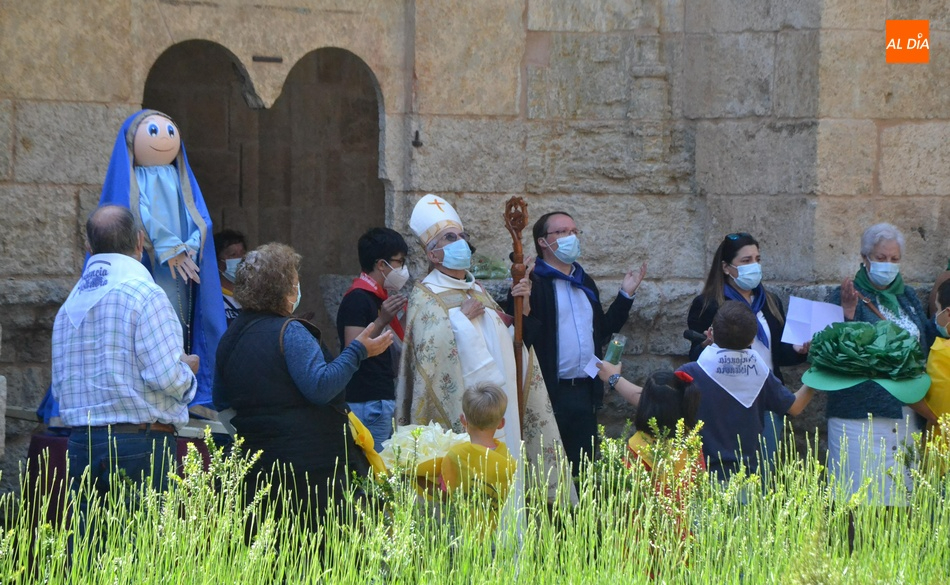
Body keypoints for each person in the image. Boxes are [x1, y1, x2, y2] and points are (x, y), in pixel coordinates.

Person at [396, 194, 568, 501]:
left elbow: (505, 338)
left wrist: (521, 307)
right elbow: (430, 351)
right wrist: (460, 320)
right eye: (450, 238)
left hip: (501, 405)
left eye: (461, 236)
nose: (460, 242)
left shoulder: (476, 289)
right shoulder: (425, 296)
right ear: (433, 254)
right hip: (464, 411)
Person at [213, 243, 393, 520]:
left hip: (259, 470)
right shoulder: (290, 331)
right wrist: (359, 351)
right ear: (284, 289)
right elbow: (320, 387)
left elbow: (221, 402)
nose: (298, 287)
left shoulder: (231, 336)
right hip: (314, 473)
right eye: (295, 281)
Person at [53, 205, 199, 498]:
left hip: (82, 442)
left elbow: (60, 387)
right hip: (138, 442)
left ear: (89, 247)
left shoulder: (69, 305)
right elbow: (167, 377)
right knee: (141, 543)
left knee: (90, 542)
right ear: (140, 242)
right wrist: (188, 371)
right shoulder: (145, 294)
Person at [97, 109, 225, 412]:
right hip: (154, 263)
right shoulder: (134, 178)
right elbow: (137, 213)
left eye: (170, 131)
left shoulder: (179, 176)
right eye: (154, 131)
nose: (165, 138)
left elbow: (199, 217)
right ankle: (163, 383)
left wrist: (191, 245)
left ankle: (187, 385)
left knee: (184, 320)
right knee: (157, 322)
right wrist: (170, 246)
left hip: (184, 263)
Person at [515, 210, 646, 472]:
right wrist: (524, 300)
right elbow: (523, 337)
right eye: (562, 232)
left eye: (574, 232)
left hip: (585, 391)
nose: (571, 237)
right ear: (543, 241)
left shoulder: (584, 281)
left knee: (583, 469)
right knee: (547, 468)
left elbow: (601, 331)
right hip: (551, 392)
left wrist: (625, 295)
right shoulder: (535, 281)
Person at [830, 223, 938, 503]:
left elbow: (922, 338)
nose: (888, 265)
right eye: (881, 258)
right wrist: (849, 314)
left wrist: (940, 326)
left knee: (900, 500)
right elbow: (836, 349)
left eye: (894, 259)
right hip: (860, 416)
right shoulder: (845, 295)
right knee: (858, 500)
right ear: (865, 258)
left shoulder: (907, 297)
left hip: (905, 414)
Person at [686, 232, 806, 466]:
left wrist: (799, 350)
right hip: (725, 401)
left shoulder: (770, 302)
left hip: (766, 398)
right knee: (726, 466)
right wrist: (707, 345)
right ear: (726, 267)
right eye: (746, 261)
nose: (754, 266)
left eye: (757, 259)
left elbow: (778, 355)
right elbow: (695, 357)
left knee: (765, 468)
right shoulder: (708, 304)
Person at [678, 301, 815, 482]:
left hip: (699, 475)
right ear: (752, 339)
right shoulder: (761, 373)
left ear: (711, 332)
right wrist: (818, 375)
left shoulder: (690, 373)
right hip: (746, 476)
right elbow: (795, 407)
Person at [337, 227, 410, 450]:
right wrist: (382, 320)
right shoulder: (358, 298)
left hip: (379, 398)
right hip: (367, 402)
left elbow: (395, 339)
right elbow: (354, 349)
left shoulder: (379, 297)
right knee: (374, 472)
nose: (403, 269)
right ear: (381, 264)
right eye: (399, 261)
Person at [441, 383, 517, 531]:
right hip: (495, 532)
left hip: (459, 532)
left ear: (463, 420)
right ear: (501, 423)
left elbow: (445, 496)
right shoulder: (507, 460)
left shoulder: (455, 455)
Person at [925, 279, 950, 438]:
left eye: (937, 308)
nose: (935, 316)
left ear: (948, 313)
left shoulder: (941, 351)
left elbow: (937, 407)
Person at [214, 229, 248, 327]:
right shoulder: (213, 299)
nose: (241, 259)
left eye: (243, 253)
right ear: (218, 261)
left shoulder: (252, 296)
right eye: (233, 255)